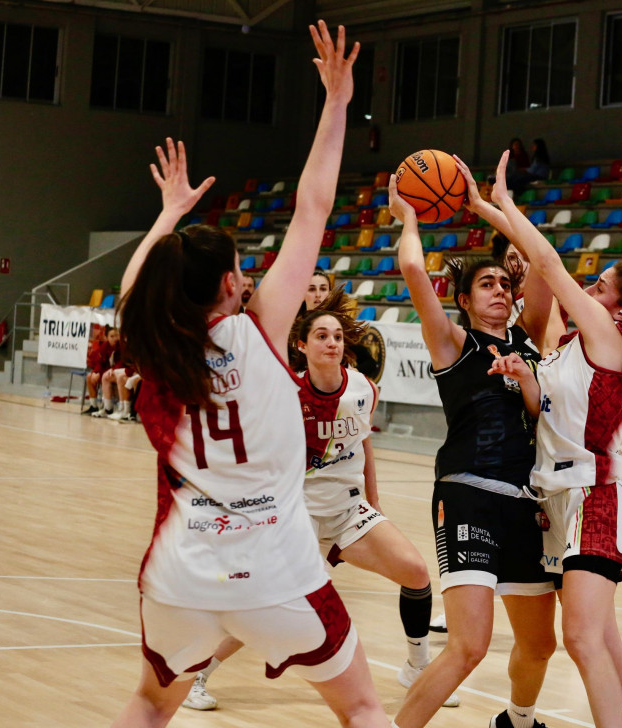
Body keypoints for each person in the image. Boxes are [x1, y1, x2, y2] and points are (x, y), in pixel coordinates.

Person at [109, 21, 389, 728]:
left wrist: (169, 214)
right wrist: (335, 103)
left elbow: (134, 289)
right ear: (234, 280)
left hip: (179, 574)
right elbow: (314, 207)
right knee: (360, 707)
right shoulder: (261, 329)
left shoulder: (156, 351)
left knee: (148, 703)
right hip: (275, 570)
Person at [485, 148, 622, 728]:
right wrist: (522, 376)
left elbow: (548, 263)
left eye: (601, 286)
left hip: (594, 498)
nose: (589, 287)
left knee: (582, 640)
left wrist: (502, 203)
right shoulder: (569, 347)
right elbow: (546, 405)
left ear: (621, 312)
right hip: (554, 500)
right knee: (604, 644)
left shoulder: (609, 345)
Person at [182, 290, 460, 711]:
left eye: (337, 337)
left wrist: (375, 499)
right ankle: (196, 675)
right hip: (299, 516)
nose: (332, 343)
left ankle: (416, 667)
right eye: (322, 336)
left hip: (349, 511)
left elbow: (364, 445)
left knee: (417, 572)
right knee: (265, 606)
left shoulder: (364, 389)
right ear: (302, 345)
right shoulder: (286, 396)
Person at [387, 169, 558, 728]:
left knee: (540, 646)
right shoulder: (454, 343)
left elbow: (540, 264)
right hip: (467, 493)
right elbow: (414, 267)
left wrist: (487, 207)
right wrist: (410, 217)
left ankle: (518, 720)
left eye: (502, 285)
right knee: (468, 646)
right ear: (463, 300)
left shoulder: (526, 340)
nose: (501, 291)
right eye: (486, 285)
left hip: (525, 502)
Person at [82, 325, 119, 414]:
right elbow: (99, 362)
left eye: (116, 335)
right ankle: (93, 405)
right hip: (106, 371)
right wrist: (95, 372)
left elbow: (121, 364)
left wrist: (100, 373)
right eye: (112, 336)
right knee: (89, 376)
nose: (115, 338)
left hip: (115, 371)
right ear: (106, 338)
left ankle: (108, 408)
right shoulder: (104, 347)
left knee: (104, 377)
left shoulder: (121, 347)